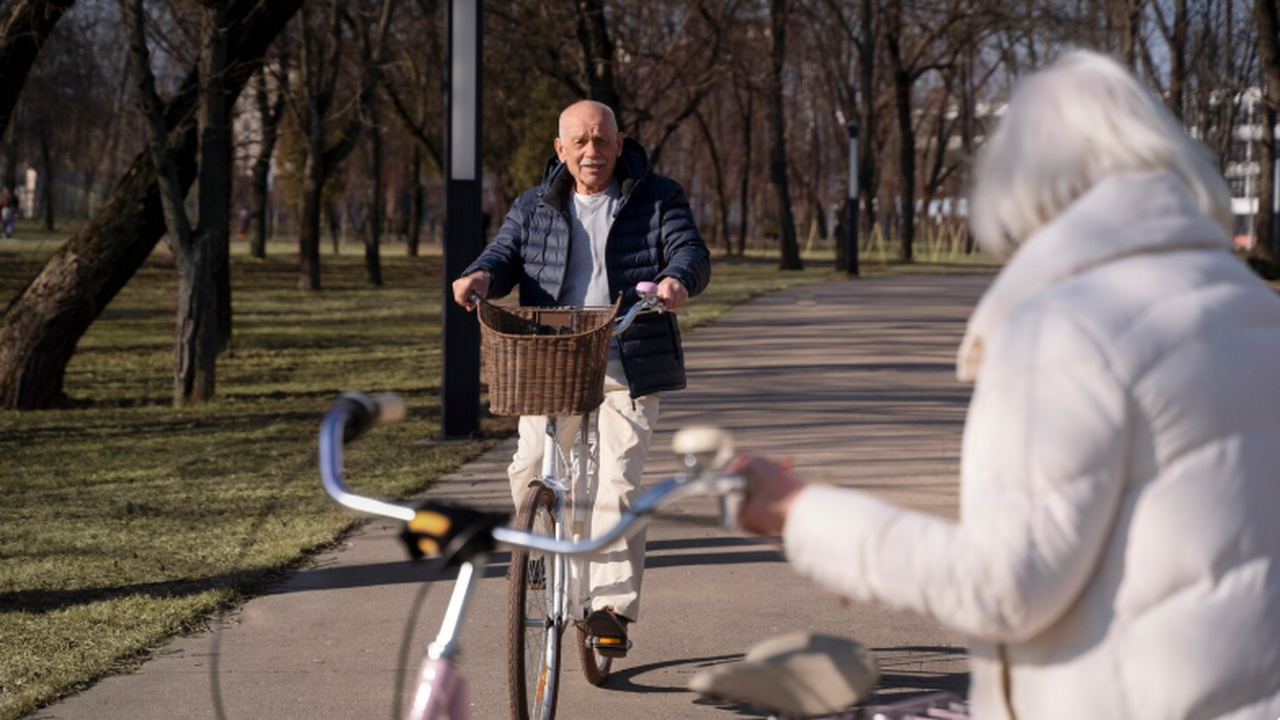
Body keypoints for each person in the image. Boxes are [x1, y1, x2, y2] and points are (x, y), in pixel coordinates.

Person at [733, 50, 1280, 720]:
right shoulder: (1256, 308)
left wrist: (799, 511)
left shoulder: (1068, 324)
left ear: (1023, 180)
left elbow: (1007, 584)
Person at [452, 100, 710, 652]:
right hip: (554, 359)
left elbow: (689, 249)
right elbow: (503, 255)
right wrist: (479, 275)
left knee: (618, 476)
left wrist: (676, 280)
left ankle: (609, 609)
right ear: (561, 149)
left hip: (628, 357)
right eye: (580, 142)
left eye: (601, 140)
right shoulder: (533, 205)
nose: (592, 152)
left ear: (619, 144)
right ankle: (541, 555)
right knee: (529, 468)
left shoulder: (658, 195)